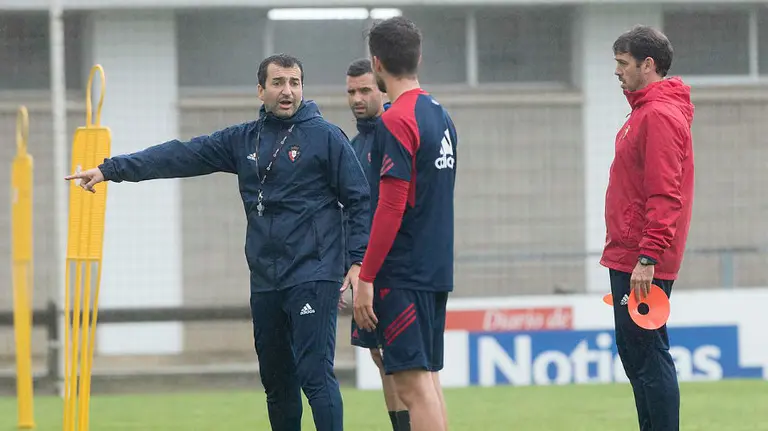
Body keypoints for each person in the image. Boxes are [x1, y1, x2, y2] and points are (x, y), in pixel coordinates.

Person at [65, 53, 370, 431]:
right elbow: (180, 155)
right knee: (276, 384)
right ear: (261, 90)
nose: (287, 91)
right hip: (266, 280)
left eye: (294, 83)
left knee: (314, 375)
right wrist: (111, 169)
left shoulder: (326, 137)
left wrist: (357, 262)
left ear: (303, 89)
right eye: (278, 83)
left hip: (314, 273)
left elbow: (359, 199)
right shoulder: (243, 139)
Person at [352, 17, 457, 431]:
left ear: (377, 64)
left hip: (404, 273)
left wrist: (367, 276)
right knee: (427, 379)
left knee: (412, 387)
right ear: (419, 58)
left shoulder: (396, 120)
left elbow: (391, 207)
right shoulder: (440, 114)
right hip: (434, 270)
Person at [601, 25, 695, 431]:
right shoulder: (643, 112)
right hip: (629, 251)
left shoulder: (657, 115)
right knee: (636, 353)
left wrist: (647, 255)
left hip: (640, 256)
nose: (617, 72)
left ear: (648, 64)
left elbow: (664, 193)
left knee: (648, 353)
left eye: (623, 64)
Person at [342, 57, 410, 431]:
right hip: (362, 268)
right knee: (380, 357)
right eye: (351, 91)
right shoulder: (353, 144)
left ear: (381, 88)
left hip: (393, 268)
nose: (357, 98)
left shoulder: (393, 132)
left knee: (402, 360)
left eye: (365, 89)